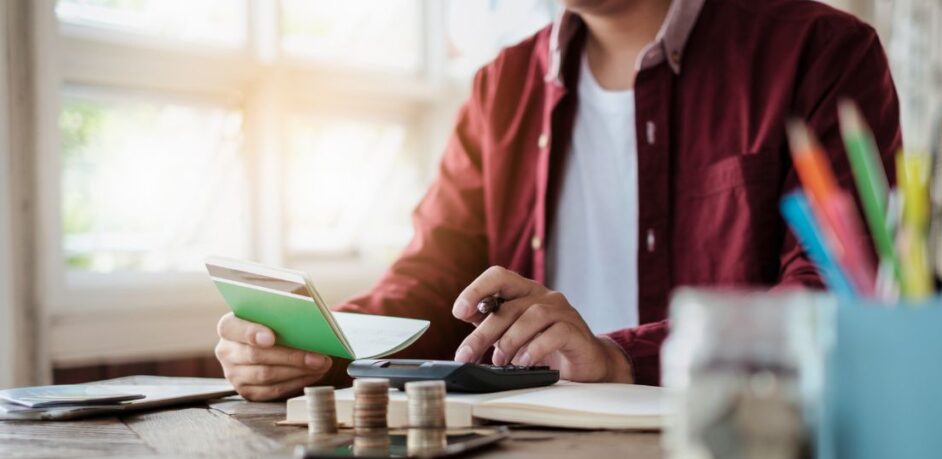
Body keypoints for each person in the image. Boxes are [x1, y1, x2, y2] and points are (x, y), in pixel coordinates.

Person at [215, 0, 901, 401]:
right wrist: (310, 349)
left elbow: (835, 293)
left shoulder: (823, 53)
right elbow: (427, 281)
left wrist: (622, 358)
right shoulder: (498, 90)